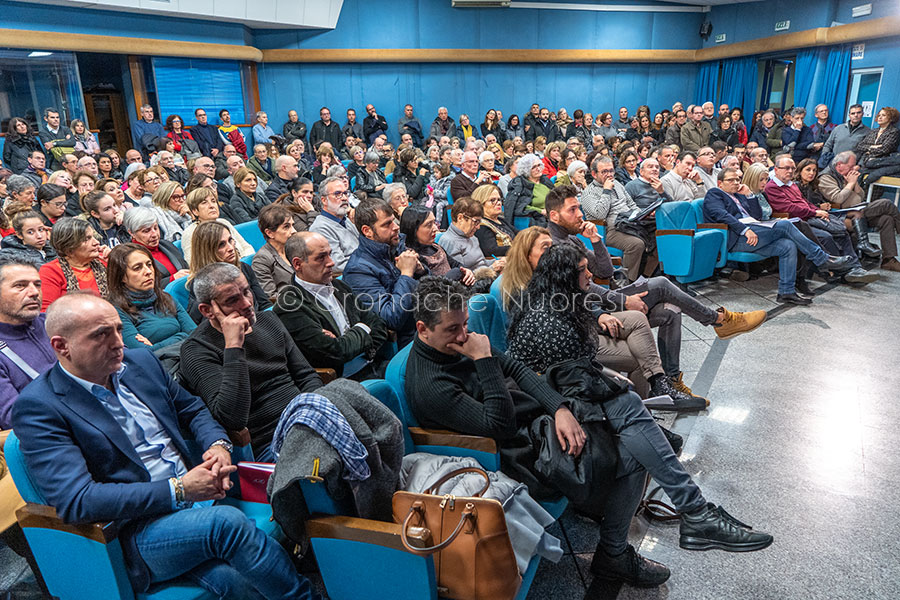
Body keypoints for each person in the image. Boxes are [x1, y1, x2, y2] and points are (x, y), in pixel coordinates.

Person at [407, 275, 773, 588]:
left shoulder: (456, 345)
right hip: (514, 452)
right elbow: (498, 427)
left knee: (621, 404)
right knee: (632, 438)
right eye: (452, 329)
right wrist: (485, 361)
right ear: (422, 328)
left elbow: (517, 371)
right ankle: (666, 528)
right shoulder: (432, 383)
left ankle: (686, 517)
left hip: (537, 422)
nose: (464, 335)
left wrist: (560, 408)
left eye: (465, 325)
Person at [11, 293, 322, 599]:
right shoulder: (40, 407)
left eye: (119, 329)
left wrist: (217, 444)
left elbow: (194, 409)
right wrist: (179, 490)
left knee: (233, 579)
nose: (119, 342)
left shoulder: (140, 362)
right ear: (61, 346)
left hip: (199, 497)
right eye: (101, 335)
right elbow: (77, 500)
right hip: (136, 529)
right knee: (226, 525)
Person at [180, 262, 322, 459]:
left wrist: (314, 412)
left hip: (306, 418)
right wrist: (233, 347)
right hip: (269, 442)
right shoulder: (197, 350)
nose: (247, 304)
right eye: (232, 300)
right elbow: (232, 418)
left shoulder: (268, 320)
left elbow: (306, 376)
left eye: (247, 291)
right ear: (207, 310)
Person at [703, 167, 854, 304]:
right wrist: (744, 230)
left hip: (754, 230)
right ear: (720, 183)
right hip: (737, 237)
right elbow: (721, 214)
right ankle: (821, 258)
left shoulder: (740, 195)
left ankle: (786, 292)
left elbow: (756, 215)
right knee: (786, 225)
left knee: (787, 246)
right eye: (731, 180)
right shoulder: (715, 194)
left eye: (737, 179)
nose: (736, 182)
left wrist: (749, 195)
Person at [275, 231, 389, 379]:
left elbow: (379, 325)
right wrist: (363, 327)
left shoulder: (338, 286)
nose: (331, 262)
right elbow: (336, 353)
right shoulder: (290, 306)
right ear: (298, 264)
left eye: (330, 254)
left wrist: (350, 337)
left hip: (374, 363)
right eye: (321, 257)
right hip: (345, 380)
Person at [765, 154, 877, 285]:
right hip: (795, 222)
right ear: (776, 169)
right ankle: (845, 271)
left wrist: (820, 212)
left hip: (807, 217)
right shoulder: (772, 187)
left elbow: (805, 202)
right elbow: (789, 208)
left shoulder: (791, 185)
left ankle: (855, 268)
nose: (790, 171)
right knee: (826, 236)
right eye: (786, 168)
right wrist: (815, 212)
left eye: (792, 168)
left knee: (842, 231)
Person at [343, 198, 424, 347]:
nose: (396, 227)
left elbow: (430, 291)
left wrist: (421, 272)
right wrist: (407, 274)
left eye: (393, 221)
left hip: (424, 325)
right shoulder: (358, 270)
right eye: (387, 224)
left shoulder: (395, 246)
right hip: (406, 341)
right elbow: (391, 318)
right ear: (367, 231)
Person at [817, 151, 900, 271]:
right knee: (886, 203)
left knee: (886, 219)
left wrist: (854, 184)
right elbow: (838, 198)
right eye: (851, 166)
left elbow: (860, 196)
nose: (854, 168)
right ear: (839, 164)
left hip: (857, 210)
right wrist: (850, 183)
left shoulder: (845, 174)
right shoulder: (826, 177)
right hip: (842, 214)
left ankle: (889, 260)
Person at [0, 255, 56, 428]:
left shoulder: (56, 322)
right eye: (20, 286)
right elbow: (15, 416)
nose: (34, 292)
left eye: (37, 284)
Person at [107, 243, 196, 350]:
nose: (148, 272)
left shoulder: (166, 297)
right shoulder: (116, 311)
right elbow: (143, 353)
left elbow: (195, 335)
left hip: (189, 356)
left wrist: (159, 345)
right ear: (121, 276)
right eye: (137, 268)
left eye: (149, 265)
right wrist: (183, 336)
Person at [581, 157, 657, 281]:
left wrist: (641, 215)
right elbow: (599, 215)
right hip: (608, 230)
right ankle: (625, 282)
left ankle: (644, 277)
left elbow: (632, 204)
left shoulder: (617, 184)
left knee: (657, 236)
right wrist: (606, 191)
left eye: (611, 171)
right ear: (594, 174)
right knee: (636, 244)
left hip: (630, 224)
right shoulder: (589, 193)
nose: (609, 174)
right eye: (604, 171)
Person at [186, 221, 270, 322]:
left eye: (230, 240)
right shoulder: (201, 285)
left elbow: (265, 304)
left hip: (260, 322)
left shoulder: (243, 268)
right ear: (207, 251)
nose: (230, 248)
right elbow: (210, 326)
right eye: (221, 245)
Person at [39, 218, 108, 310]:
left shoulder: (104, 261)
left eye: (93, 237)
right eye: (87, 239)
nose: (96, 242)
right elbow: (46, 312)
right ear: (69, 249)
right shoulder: (50, 271)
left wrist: (114, 262)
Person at [399, 206, 475, 285]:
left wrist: (466, 271)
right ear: (413, 229)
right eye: (429, 225)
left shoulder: (434, 246)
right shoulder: (411, 257)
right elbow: (430, 285)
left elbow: (455, 264)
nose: (435, 228)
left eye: (434, 223)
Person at [181, 186, 253, 263]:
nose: (212, 206)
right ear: (195, 211)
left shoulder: (224, 223)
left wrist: (244, 261)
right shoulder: (190, 233)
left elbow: (247, 247)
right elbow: (194, 264)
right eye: (204, 203)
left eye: (213, 201)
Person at [123, 207, 189, 284]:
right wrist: (172, 279)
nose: (154, 234)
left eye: (155, 227)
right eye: (146, 231)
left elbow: (185, 267)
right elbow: (140, 286)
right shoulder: (129, 256)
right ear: (131, 233)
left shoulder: (167, 245)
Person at [438, 196, 505, 273]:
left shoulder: (472, 237)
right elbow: (463, 276)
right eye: (475, 222)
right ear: (460, 218)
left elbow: (482, 263)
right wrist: (491, 269)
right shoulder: (449, 241)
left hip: (486, 277)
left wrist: (499, 261)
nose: (478, 227)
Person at [309, 176, 359, 272]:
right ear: (324, 200)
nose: (344, 198)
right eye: (337, 194)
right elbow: (338, 265)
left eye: (345, 193)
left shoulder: (347, 219)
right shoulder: (320, 228)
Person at [251, 204, 295, 299]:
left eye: (292, 225)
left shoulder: (294, 248)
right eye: (286, 227)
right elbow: (271, 296)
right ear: (270, 233)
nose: (293, 231)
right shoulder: (262, 259)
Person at [504, 154, 553, 226]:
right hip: (538, 221)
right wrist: (540, 211)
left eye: (539, 165)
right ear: (526, 170)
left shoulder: (545, 180)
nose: (538, 169)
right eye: (534, 167)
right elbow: (518, 206)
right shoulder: (520, 184)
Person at [472, 184, 517, 257]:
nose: (499, 203)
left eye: (499, 199)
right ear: (480, 204)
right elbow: (492, 250)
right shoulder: (480, 226)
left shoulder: (500, 220)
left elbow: (520, 235)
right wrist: (519, 248)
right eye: (492, 200)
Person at [819, 104, 869, 168]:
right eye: (853, 113)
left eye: (858, 112)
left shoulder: (867, 132)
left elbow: (866, 152)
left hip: (851, 168)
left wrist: (859, 165)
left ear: (862, 114)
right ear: (849, 115)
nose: (856, 115)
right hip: (832, 165)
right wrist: (825, 159)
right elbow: (828, 145)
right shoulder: (838, 128)